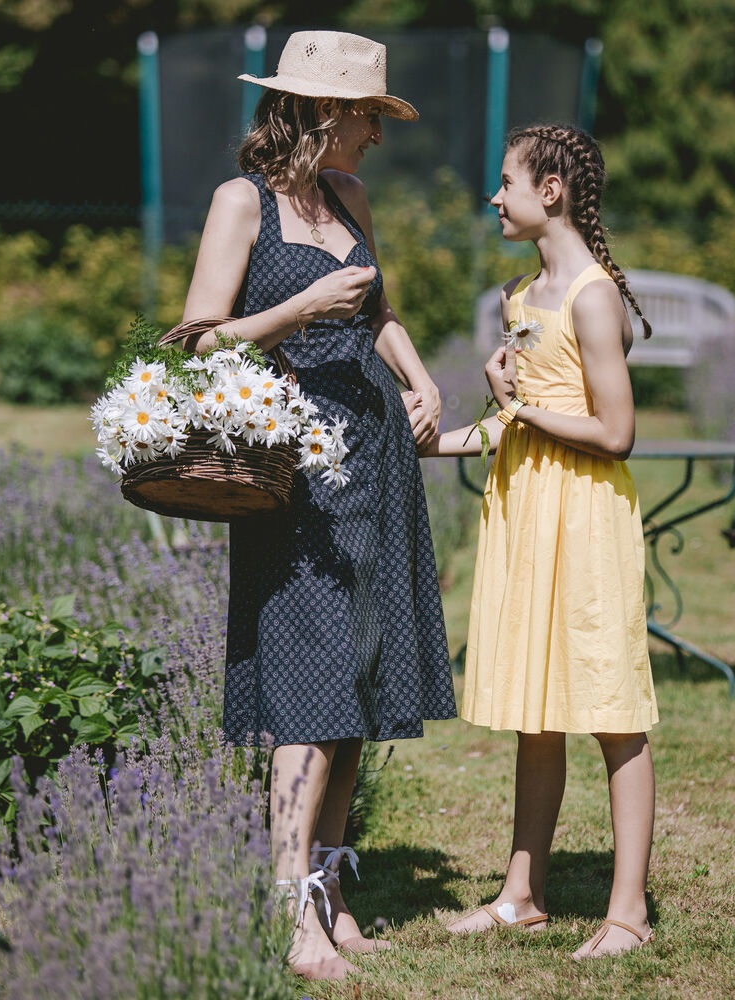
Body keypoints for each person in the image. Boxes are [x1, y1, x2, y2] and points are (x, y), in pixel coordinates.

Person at [179, 30, 456, 981]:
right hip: (293, 468)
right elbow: (200, 342)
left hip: (373, 454)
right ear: (324, 114)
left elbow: (379, 314)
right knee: (306, 675)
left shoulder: (350, 198)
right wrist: (293, 314)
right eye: (368, 118)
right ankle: (289, 914)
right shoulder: (239, 202)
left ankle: (332, 893)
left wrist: (421, 382)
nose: (377, 138)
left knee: (359, 668)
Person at [423, 123, 659, 959]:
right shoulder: (519, 299)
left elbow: (616, 431)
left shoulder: (593, 297)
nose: (494, 196)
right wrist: (433, 442)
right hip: (526, 510)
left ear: (550, 190)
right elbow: (505, 427)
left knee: (614, 712)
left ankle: (627, 910)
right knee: (537, 709)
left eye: (507, 181)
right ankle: (521, 895)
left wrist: (517, 409)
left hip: (587, 512)